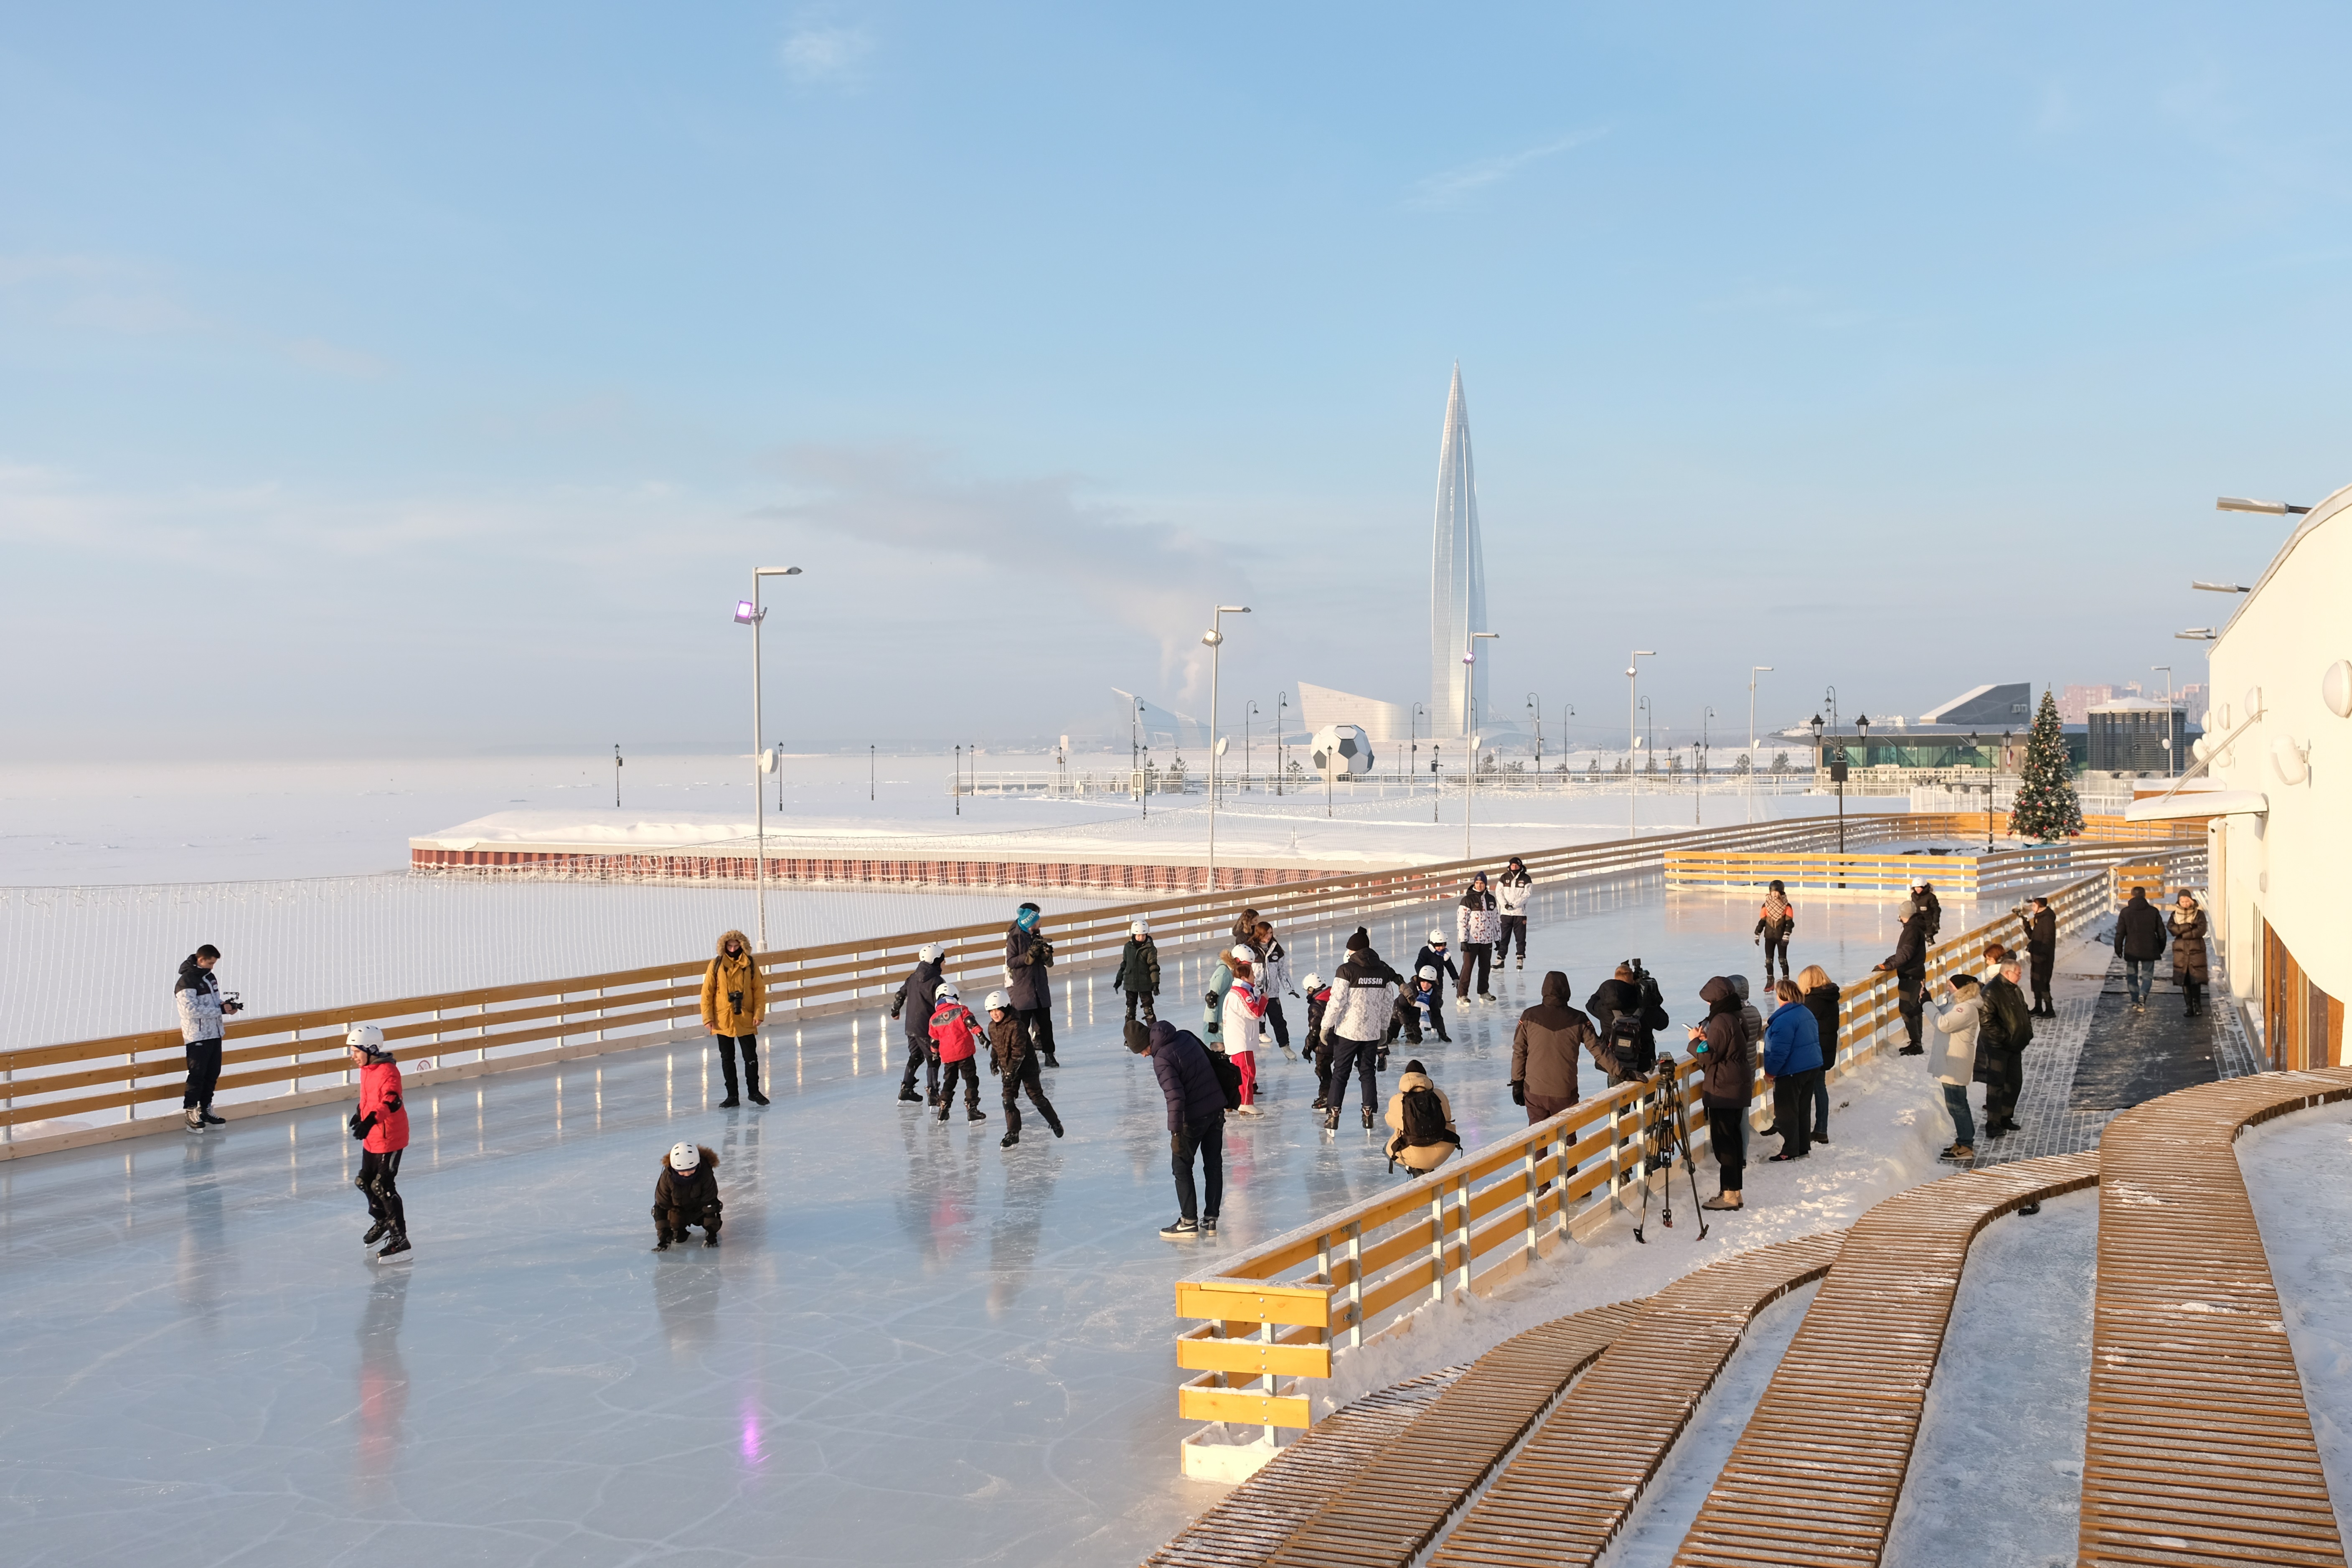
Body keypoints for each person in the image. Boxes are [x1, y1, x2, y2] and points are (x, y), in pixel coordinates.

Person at [1147, 1021, 1226, 1238]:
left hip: (1194, 1118)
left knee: (1181, 1167)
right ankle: (1211, 1220)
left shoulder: (1161, 1058)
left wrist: (1175, 1133)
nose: (1144, 1056)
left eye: (1141, 1051)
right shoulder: (1184, 1036)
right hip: (1216, 1109)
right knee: (1213, 1165)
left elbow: (1175, 1096)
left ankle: (1188, 1221)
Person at [1320, 929, 1400, 1132]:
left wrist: (1325, 1025)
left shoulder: (1346, 970)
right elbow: (1387, 1003)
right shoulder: (1383, 971)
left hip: (1348, 1033)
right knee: (1367, 1073)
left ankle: (1333, 1114)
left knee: (1340, 1073)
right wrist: (1383, 1029)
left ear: (1354, 950)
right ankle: (1368, 1113)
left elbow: (1336, 1002)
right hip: (1371, 1034)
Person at [345, 1025, 411, 1259]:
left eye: (355, 1051)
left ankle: (399, 1238)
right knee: (364, 1181)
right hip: (373, 1135)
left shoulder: (388, 1072)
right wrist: (360, 1114)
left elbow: (392, 1101)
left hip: (391, 1136)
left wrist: (371, 1119)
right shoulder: (367, 1070)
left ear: (371, 1049)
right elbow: (368, 1097)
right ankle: (383, 1219)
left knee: (383, 1186)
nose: (352, 1056)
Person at [1689, 977, 1749, 1211]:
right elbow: (1723, 1048)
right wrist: (1707, 1040)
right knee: (1732, 1140)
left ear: (1715, 1000)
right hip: (1736, 1085)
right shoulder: (1736, 1015)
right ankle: (1734, 1192)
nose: (1708, 1005)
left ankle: (1729, 1195)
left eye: (1709, 1001)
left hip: (1724, 1088)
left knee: (1725, 1143)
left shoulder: (1722, 1020)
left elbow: (1710, 1057)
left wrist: (1695, 1042)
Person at [1510, 971, 1595, 1124]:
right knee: (1567, 1137)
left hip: (1534, 1091)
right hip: (1564, 1091)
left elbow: (1519, 1052)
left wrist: (1517, 1082)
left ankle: (1541, 1149)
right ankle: (1569, 1145)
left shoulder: (1529, 1016)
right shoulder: (1578, 1018)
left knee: (1538, 1138)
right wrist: (1622, 1072)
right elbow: (1599, 1050)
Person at [174, 944, 241, 1131]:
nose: (213, 967)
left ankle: (206, 1109)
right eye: (210, 963)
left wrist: (226, 1006)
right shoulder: (186, 981)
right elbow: (189, 1010)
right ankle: (190, 1112)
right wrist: (219, 1010)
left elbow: (213, 1001)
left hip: (215, 1033)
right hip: (197, 1035)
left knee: (212, 1074)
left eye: (214, 964)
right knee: (197, 1075)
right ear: (201, 959)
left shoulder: (209, 977)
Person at [700, 929, 768, 1108]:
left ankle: (754, 1092)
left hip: (745, 1017)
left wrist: (759, 1014)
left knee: (750, 1056)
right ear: (724, 947)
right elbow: (707, 993)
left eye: (736, 946)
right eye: (729, 946)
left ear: (742, 946)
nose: (732, 949)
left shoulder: (751, 964)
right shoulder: (716, 965)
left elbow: (759, 991)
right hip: (723, 1019)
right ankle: (732, 1096)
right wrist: (708, 1018)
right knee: (727, 1058)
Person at [986, 989, 1064, 1147]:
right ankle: (1013, 1133)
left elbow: (1019, 1052)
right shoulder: (992, 1027)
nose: (995, 1014)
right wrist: (994, 1062)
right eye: (991, 1011)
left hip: (1027, 1067)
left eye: (997, 1010)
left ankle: (1055, 1122)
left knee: (1037, 1098)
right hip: (1009, 1068)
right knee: (1008, 1101)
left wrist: (1009, 1071)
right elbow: (996, 1046)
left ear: (1006, 1008)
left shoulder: (1017, 1025)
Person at [1761, 979, 1822, 1161]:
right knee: (1803, 1109)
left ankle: (1790, 1149)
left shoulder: (1784, 1021)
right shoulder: (1805, 1012)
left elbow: (1780, 1052)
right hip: (1811, 1066)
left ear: (1781, 996)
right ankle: (1802, 1146)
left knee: (1786, 1112)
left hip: (1792, 1071)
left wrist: (1771, 1072)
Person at [1928, 973, 1983, 1161]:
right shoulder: (1956, 1004)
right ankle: (1963, 1141)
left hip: (1956, 1063)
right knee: (1955, 1105)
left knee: (1958, 1105)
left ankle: (1967, 1145)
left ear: (1962, 989)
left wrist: (1927, 1003)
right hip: (1950, 1063)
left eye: (1950, 986)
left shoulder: (1966, 1009)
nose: (1948, 988)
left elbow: (1943, 1024)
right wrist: (1923, 1001)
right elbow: (1938, 1013)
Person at [1586, 963, 1669, 1086]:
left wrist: (1607, 990)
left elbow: (1590, 1003)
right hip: (1643, 1066)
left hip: (1616, 1066)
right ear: (1634, 982)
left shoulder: (1604, 1008)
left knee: (1617, 1105)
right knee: (1647, 1105)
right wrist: (1652, 997)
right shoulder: (1646, 1008)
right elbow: (1663, 1023)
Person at [1980, 958, 2033, 1138]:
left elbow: (2024, 1012)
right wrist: (2005, 1038)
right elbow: (1987, 1021)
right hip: (1998, 1047)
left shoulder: (2015, 989)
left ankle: (2006, 1117)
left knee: (2015, 1083)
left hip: (2015, 1045)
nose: (2020, 976)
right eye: (2018, 973)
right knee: (1996, 1085)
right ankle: (1993, 1123)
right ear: (2007, 973)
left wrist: (2027, 1033)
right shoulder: (1990, 992)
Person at [889, 943, 946, 1106]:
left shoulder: (913, 977)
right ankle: (934, 1096)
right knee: (933, 1058)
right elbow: (941, 1006)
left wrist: (895, 1011)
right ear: (936, 961)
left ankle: (906, 1090)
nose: (945, 962)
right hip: (927, 1028)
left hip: (911, 1027)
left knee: (916, 1056)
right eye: (943, 959)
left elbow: (900, 994)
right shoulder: (937, 981)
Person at [1004, 902, 1059, 1068]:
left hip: (1040, 989)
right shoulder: (1015, 939)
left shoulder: (1037, 937)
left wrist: (1045, 955)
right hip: (1024, 991)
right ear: (1030, 923)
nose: (1040, 924)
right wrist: (1027, 955)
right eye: (1037, 921)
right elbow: (1011, 962)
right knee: (1021, 1028)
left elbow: (1048, 963)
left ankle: (1050, 1056)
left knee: (1046, 1026)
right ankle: (1020, 1059)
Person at [1384, 1060, 1461, 1174]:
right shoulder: (1439, 1095)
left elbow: (1390, 1121)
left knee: (1388, 1149)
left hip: (1414, 1153)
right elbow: (1447, 1118)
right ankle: (1427, 1169)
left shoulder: (1398, 1100)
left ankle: (1413, 1169)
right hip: (1444, 1149)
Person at [927, 981, 987, 1124]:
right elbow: (970, 1022)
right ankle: (972, 1109)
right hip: (964, 1053)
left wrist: (935, 1053)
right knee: (971, 1079)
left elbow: (934, 1041)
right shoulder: (960, 1010)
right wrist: (981, 1036)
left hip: (948, 1057)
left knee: (950, 1082)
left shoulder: (934, 1018)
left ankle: (943, 1109)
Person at [1220, 945, 1270, 1116]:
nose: (1255, 977)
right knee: (1247, 1072)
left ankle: (1234, 1101)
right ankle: (1245, 1102)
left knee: (1240, 1072)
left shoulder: (1240, 991)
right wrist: (1263, 1000)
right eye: (1252, 975)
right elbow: (1255, 1012)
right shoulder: (1241, 993)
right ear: (1244, 977)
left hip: (1240, 1039)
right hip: (1241, 1040)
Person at [1877, 901, 1929, 1055]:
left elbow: (1905, 954)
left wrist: (1888, 965)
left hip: (1911, 975)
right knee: (1913, 1008)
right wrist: (1889, 962)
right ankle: (1916, 1042)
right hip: (1915, 973)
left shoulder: (1912, 930)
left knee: (1908, 1009)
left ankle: (1916, 1043)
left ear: (1903, 915)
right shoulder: (1914, 928)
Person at [1797, 964, 1840, 1145]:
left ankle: (1812, 1130)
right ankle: (1821, 1129)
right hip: (1826, 1048)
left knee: (1809, 1090)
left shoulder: (1813, 1002)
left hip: (1814, 1051)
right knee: (1819, 1087)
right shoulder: (1830, 997)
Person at [652, 1141, 721, 1250]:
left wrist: (712, 1234)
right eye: (682, 1172)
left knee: (714, 1209)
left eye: (691, 1170)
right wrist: (664, 1238)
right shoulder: (667, 1178)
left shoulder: (706, 1173)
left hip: (700, 1211)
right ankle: (678, 1231)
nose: (687, 1175)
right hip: (680, 1212)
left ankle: (710, 1229)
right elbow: (662, 1207)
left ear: (698, 1164)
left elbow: (710, 1202)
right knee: (679, 1238)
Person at [1254, 920, 1300, 1059]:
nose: (1269, 936)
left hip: (1272, 994)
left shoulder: (1276, 949)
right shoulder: (1251, 949)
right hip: (1255, 994)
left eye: (1270, 933)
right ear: (1259, 934)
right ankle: (1249, 1049)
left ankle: (1285, 1046)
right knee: (1253, 1023)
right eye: (1266, 933)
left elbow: (1283, 971)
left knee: (1279, 1021)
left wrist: (1290, 989)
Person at [2114, 886, 2165, 1009]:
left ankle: (2134, 1000)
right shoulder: (2153, 911)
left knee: (2132, 975)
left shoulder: (2126, 912)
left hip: (2132, 949)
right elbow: (2161, 932)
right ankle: (2143, 994)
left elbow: (2120, 933)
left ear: (2132, 896)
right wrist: (2161, 947)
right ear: (2145, 896)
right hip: (2150, 948)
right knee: (2147, 975)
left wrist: (2118, 948)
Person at [1455, 874, 1501, 1002]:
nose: (1479, 885)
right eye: (1477, 883)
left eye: (1482, 883)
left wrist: (1497, 938)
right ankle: (1462, 994)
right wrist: (1463, 940)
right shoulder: (1467, 900)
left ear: (1485, 884)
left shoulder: (1491, 900)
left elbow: (1496, 921)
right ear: (1474, 884)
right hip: (1471, 941)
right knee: (1468, 968)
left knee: (1485, 967)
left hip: (1487, 940)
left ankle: (1484, 991)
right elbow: (1462, 922)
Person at [2168, 891, 2211, 1017]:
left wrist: (2183, 933)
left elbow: (2201, 930)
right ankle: (2189, 1007)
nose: (2185, 904)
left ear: (2191, 901)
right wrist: (2188, 926)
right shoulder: (2174, 915)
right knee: (2184, 979)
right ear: (2179, 902)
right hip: (2181, 952)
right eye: (2183, 902)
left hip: (2196, 950)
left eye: (2187, 901)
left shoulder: (2199, 914)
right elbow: (2172, 929)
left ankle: (2197, 1006)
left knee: (2195, 979)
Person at [1111, 920, 1161, 1025]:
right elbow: (1124, 964)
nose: (1141, 938)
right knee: (1130, 1011)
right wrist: (1119, 980)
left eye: (1143, 936)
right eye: (1138, 936)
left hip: (1145, 983)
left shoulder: (1150, 948)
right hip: (1130, 983)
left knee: (1148, 1010)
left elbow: (1153, 966)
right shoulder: (1128, 947)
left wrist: (1155, 983)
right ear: (1134, 935)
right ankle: (1130, 1036)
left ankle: (1154, 1033)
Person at [2017, 896, 2058, 1017]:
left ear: (2040, 907)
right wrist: (2025, 922)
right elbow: (2033, 936)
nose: (2032, 908)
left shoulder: (2047, 920)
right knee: (2036, 981)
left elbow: (2048, 940)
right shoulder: (2039, 919)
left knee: (2043, 982)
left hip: (2043, 957)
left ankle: (2050, 1010)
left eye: (2034, 906)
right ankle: (2038, 1007)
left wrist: (2043, 955)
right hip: (2037, 956)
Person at [1391, 965, 1449, 1046]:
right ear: (1419, 980)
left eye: (1429, 983)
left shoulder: (1432, 994)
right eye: (1424, 982)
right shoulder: (1411, 988)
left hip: (1413, 1017)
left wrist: (1442, 1032)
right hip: (1397, 1014)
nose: (1426, 985)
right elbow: (1400, 1007)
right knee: (1389, 1037)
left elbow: (1437, 1014)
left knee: (1416, 1039)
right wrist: (1406, 1026)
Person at [1496, 856, 1535, 970]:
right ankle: (1500, 958)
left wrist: (1514, 905)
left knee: (1520, 938)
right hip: (1506, 913)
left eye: (1516, 865)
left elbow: (1527, 895)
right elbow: (1499, 893)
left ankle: (1520, 957)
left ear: (1520, 866)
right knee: (1504, 937)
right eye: (1512, 865)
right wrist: (1505, 905)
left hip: (1519, 913)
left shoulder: (1526, 878)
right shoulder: (1504, 878)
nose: (1514, 867)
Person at [1302, 971, 1333, 1108]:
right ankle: (1333, 1095)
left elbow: (1315, 1030)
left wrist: (1308, 1047)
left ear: (1312, 989)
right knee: (1337, 1071)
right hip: (1341, 1041)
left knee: (1323, 1070)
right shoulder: (1334, 997)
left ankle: (1326, 1097)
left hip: (1324, 1044)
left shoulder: (1316, 1006)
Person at [1754, 881, 1796, 983]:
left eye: (1777, 892)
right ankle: (1770, 979)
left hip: (1781, 937)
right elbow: (1762, 921)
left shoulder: (1787, 906)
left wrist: (1787, 934)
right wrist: (1757, 933)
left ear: (1781, 892)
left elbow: (1790, 923)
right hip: (1769, 937)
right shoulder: (1766, 906)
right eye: (1773, 892)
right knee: (1769, 960)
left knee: (1782, 959)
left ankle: (1786, 979)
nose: (1775, 894)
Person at [1415, 930, 1461, 996]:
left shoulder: (1445, 954)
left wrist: (1455, 978)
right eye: (1439, 945)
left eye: (1444, 945)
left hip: (1438, 981)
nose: (1442, 948)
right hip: (1426, 982)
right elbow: (1418, 965)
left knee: (1438, 1000)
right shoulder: (1425, 952)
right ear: (1433, 944)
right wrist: (1423, 977)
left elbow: (1450, 967)